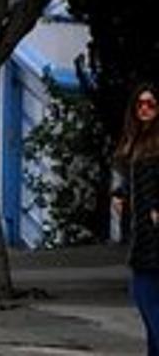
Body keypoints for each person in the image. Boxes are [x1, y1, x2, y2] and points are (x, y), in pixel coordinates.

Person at [114, 83, 159, 356]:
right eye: (140, 104)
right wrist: (119, 195)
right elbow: (130, 183)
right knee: (148, 304)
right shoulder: (133, 143)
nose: (144, 109)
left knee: (148, 302)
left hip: (153, 235)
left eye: (151, 104)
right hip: (139, 234)